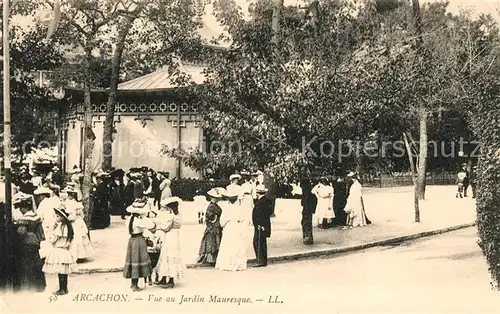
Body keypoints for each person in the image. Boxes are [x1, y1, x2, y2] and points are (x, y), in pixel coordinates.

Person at [12, 193, 46, 293]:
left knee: (26, 264)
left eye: (21, 208)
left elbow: (21, 232)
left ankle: (28, 286)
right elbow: (41, 234)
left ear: (25, 207)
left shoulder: (24, 219)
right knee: (36, 262)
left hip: (26, 241)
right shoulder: (36, 217)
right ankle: (39, 285)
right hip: (35, 240)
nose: (20, 210)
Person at [42, 206, 77, 295]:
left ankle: (62, 289)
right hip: (65, 251)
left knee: (61, 271)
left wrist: (51, 233)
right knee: (64, 271)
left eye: (57, 216)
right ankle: (64, 288)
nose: (56, 218)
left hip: (59, 251)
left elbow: (53, 239)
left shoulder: (61, 228)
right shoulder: (68, 227)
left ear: (62, 218)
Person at [123, 198, 156, 292]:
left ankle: (133, 283)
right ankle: (135, 285)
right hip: (139, 240)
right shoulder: (138, 220)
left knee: (133, 260)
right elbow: (150, 226)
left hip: (131, 240)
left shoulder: (130, 219)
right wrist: (153, 223)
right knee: (138, 260)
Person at [155, 197, 186, 288]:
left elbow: (166, 227)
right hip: (175, 235)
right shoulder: (178, 215)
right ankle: (165, 278)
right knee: (172, 256)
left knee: (167, 256)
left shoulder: (171, 216)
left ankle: (169, 280)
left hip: (169, 236)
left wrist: (159, 227)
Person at [216, 189, 247, 271]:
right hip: (236, 227)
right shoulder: (239, 208)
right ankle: (238, 263)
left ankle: (227, 263)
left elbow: (222, 222)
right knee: (237, 244)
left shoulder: (226, 209)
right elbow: (242, 218)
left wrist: (225, 223)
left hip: (229, 227)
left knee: (228, 244)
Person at [64, 186, 93, 262]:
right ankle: (72, 255)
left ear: (73, 195)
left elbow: (78, 216)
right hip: (70, 221)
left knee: (77, 237)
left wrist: (70, 217)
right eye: (68, 194)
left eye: (70, 194)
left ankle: (79, 255)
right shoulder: (66, 202)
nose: (69, 195)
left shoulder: (76, 204)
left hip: (76, 222)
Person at [197, 187, 224, 266]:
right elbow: (209, 217)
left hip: (215, 226)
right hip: (212, 226)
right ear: (212, 198)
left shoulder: (214, 205)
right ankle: (210, 259)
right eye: (215, 198)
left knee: (214, 241)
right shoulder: (211, 206)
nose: (217, 199)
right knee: (211, 241)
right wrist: (215, 219)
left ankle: (213, 258)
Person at [252, 185, 274, 267]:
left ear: (258, 193)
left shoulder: (261, 202)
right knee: (262, 242)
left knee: (257, 242)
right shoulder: (266, 201)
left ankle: (260, 260)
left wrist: (259, 225)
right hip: (263, 224)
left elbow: (259, 215)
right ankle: (263, 260)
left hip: (260, 225)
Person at [300, 179, 317, 245]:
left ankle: (307, 237)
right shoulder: (309, 192)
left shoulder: (306, 193)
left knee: (306, 223)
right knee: (307, 222)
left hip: (306, 209)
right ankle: (308, 237)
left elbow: (303, 202)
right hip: (308, 209)